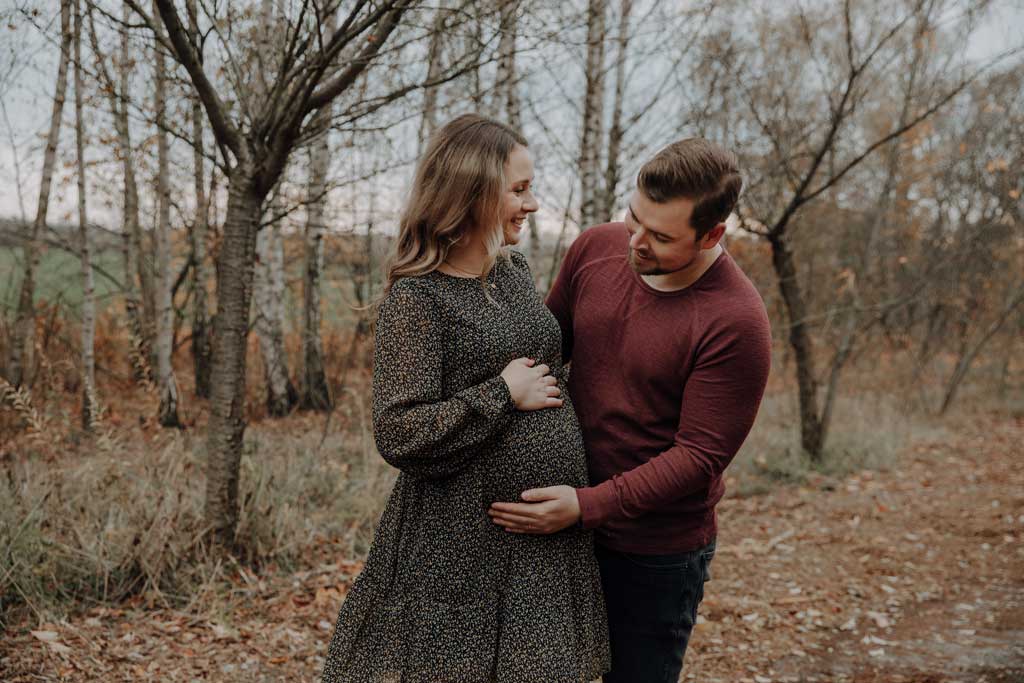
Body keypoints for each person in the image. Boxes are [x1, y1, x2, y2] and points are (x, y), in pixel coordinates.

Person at [321, 114, 610, 683]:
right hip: (462, 548)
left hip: (543, 548)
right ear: (473, 193)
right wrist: (503, 394)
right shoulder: (418, 298)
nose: (531, 204)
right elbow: (399, 430)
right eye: (519, 189)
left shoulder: (514, 273)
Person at [489, 138, 772, 682]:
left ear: (713, 234)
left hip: (653, 556)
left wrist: (587, 505)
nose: (636, 242)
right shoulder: (596, 247)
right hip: (560, 526)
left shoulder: (735, 321)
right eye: (633, 218)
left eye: (662, 236)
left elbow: (698, 458)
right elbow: (541, 354)